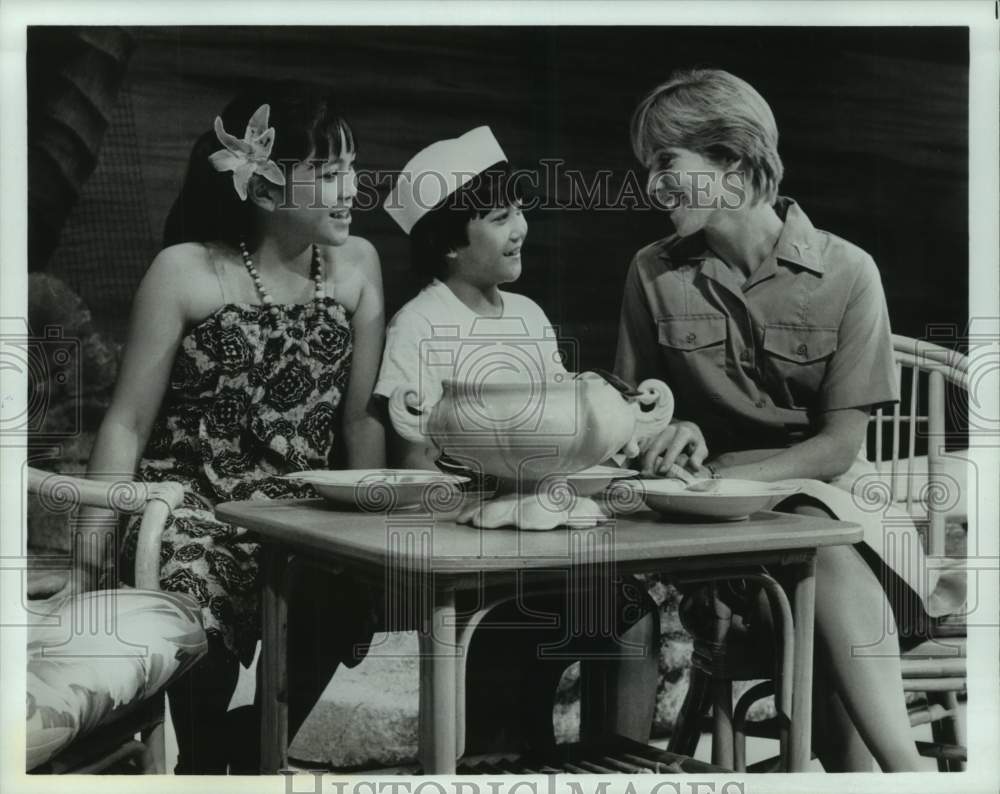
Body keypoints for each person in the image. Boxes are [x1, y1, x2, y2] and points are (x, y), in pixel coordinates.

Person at [615, 68, 965, 772]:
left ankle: (900, 769)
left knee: (817, 553)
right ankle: (904, 772)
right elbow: (632, 417)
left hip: (844, 519)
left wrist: (714, 471)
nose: (650, 186)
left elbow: (836, 449)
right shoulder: (651, 273)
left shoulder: (848, 272)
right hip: (717, 540)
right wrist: (662, 433)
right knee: (799, 592)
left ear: (733, 163)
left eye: (665, 163)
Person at [74, 81, 386, 773]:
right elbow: (126, 423)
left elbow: (360, 418)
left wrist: (373, 528)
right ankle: (208, 760)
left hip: (303, 509)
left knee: (344, 591)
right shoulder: (185, 271)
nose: (351, 188)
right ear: (265, 186)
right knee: (192, 592)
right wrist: (93, 551)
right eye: (329, 174)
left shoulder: (359, 267)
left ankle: (229, 764)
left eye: (351, 168)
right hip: (188, 505)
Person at [376, 127, 660, 752]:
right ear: (450, 243)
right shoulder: (419, 324)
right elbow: (414, 458)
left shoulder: (528, 316)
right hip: (477, 559)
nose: (520, 227)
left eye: (519, 210)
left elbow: (566, 426)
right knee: (509, 673)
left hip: (549, 538)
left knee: (635, 616)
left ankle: (622, 763)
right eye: (499, 216)